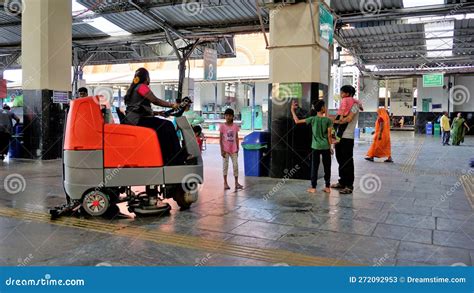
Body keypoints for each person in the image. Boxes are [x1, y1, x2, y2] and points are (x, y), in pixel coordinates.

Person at [124, 67, 187, 165]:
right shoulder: (142, 87)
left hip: (135, 120)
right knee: (168, 125)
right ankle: (177, 158)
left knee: (163, 128)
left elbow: (140, 109)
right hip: (138, 121)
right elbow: (155, 100)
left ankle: (167, 157)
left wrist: (158, 113)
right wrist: (172, 105)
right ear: (147, 78)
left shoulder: (133, 88)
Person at [291, 99, 333, 194]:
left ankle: (313, 187)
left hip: (315, 147)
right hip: (326, 146)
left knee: (314, 167)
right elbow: (330, 136)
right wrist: (331, 147)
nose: (325, 108)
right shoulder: (328, 120)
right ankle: (327, 187)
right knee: (327, 167)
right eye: (324, 106)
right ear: (322, 108)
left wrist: (292, 110)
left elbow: (297, 121)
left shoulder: (312, 119)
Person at [331, 85, 360, 195]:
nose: (341, 95)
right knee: (340, 160)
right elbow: (339, 118)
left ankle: (349, 185)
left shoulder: (355, 105)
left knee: (347, 161)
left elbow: (348, 119)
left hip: (347, 137)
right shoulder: (343, 106)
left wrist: (333, 121)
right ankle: (342, 182)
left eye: (342, 93)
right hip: (339, 137)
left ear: (347, 94)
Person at [220, 108, 243, 191]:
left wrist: (237, 147)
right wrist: (221, 150)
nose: (228, 117)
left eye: (230, 115)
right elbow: (220, 139)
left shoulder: (235, 126)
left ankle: (236, 183)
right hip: (225, 150)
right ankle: (225, 183)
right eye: (226, 115)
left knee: (235, 165)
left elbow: (236, 137)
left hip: (234, 149)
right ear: (224, 116)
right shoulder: (222, 126)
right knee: (225, 166)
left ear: (233, 116)